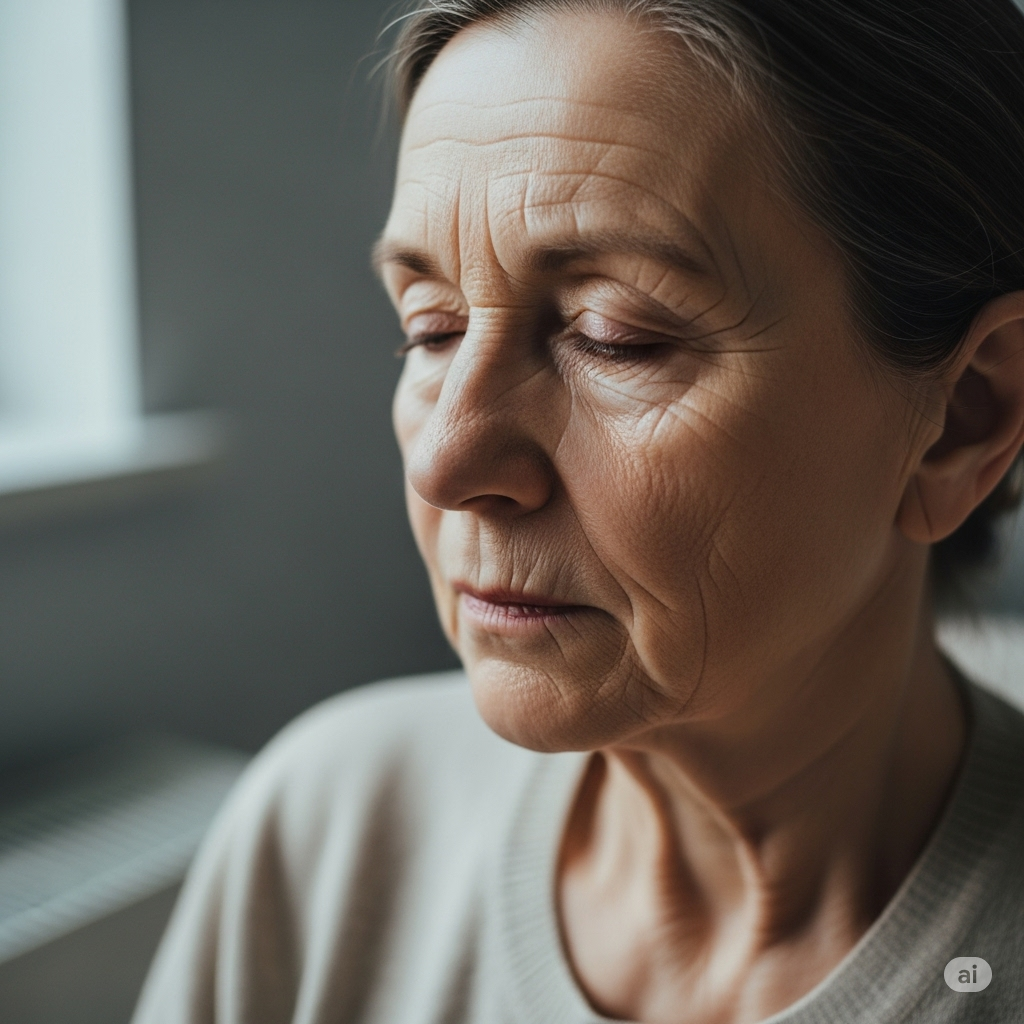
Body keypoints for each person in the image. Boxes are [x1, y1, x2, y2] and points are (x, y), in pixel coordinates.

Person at [132, 1, 1024, 1021]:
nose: (446, 459)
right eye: (431, 327)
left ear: (962, 416)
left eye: (614, 336)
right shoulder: (330, 834)